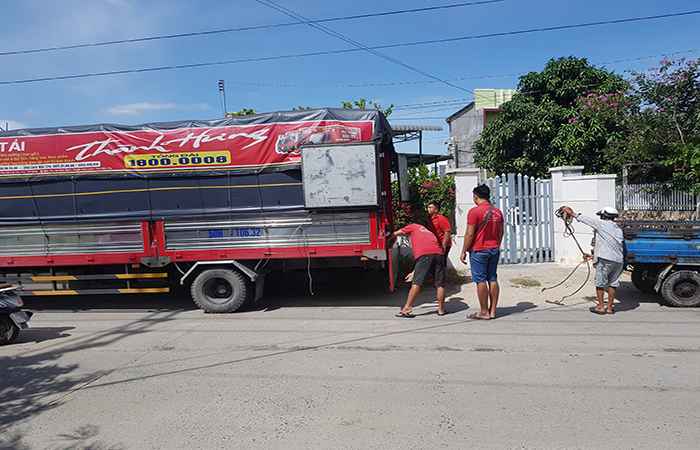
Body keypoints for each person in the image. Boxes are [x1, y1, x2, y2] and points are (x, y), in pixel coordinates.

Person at [561, 206, 624, 315]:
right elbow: (610, 244)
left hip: (605, 259)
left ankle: (600, 307)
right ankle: (609, 308)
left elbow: (587, 220)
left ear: (604, 216)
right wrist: (593, 255)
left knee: (600, 283)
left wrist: (573, 214)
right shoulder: (618, 229)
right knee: (612, 284)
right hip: (618, 260)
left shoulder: (602, 224)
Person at [460, 184, 504, 320]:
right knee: (492, 278)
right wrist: (496, 245)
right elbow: (501, 232)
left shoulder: (475, 212)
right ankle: (493, 311)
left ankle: (484, 311)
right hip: (494, 249)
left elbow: (469, 234)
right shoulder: (498, 212)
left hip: (479, 250)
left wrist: (463, 251)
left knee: (480, 280)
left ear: (475, 196)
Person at [393, 222, 446, 317]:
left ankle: (406, 309)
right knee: (440, 284)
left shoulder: (412, 226)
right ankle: (441, 310)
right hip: (439, 254)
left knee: (416, 283)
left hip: (425, 255)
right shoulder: (427, 231)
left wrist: (386, 238)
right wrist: (414, 272)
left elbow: (396, 233)